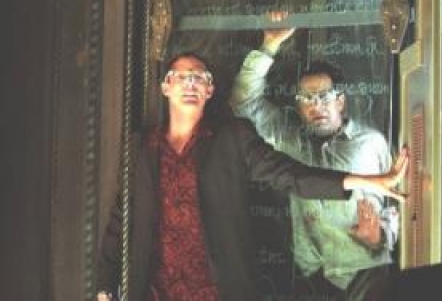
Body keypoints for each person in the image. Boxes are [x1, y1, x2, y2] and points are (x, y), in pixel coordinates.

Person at [96, 52, 407, 301]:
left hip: (220, 290)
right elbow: (120, 219)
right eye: (181, 77)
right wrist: (104, 286)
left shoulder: (232, 138)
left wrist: (364, 181)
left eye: (199, 78)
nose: (190, 84)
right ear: (166, 87)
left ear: (209, 90)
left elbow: (290, 175)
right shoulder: (142, 147)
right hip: (154, 291)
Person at [229, 28, 399, 300]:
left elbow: (402, 206)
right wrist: (269, 46)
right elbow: (243, 104)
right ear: (298, 107)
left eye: (324, 96)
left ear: (340, 102)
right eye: (306, 98)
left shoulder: (371, 144)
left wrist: (379, 237)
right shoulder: (289, 141)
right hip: (311, 280)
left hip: (366, 276)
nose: (316, 105)